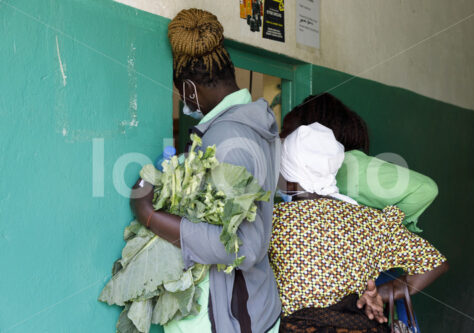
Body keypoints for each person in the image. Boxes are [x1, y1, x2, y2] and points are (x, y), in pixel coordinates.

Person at [130, 8, 282, 332]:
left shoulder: (230, 136)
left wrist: (149, 215)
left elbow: (243, 245)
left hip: (236, 317)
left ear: (189, 89)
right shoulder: (251, 125)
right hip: (256, 305)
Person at [270, 122, 449, 332]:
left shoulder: (275, 221)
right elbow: (435, 264)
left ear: (288, 179)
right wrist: (380, 294)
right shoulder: (371, 221)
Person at [280, 93, 439, 233]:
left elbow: (425, 189)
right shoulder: (298, 173)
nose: (280, 136)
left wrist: (376, 229)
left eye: (286, 130)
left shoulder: (351, 165)